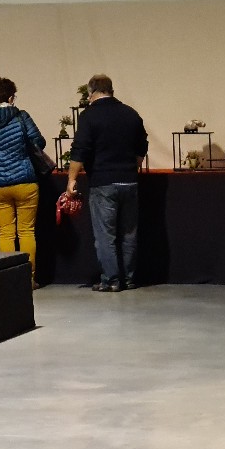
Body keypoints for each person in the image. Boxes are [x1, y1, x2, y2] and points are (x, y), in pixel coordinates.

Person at [66, 73, 149, 292]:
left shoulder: (89, 116)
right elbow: (142, 146)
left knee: (106, 235)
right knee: (129, 234)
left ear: (92, 92)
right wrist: (132, 166)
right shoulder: (131, 114)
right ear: (111, 90)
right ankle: (129, 279)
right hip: (129, 182)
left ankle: (111, 280)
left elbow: (80, 149)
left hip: (103, 182)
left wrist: (72, 179)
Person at [0, 76, 50, 272]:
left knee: (5, 233)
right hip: (25, 181)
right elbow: (39, 143)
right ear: (11, 97)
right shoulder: (21, 117)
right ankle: (28, 278)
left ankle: (9, 279)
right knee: (26, 232)